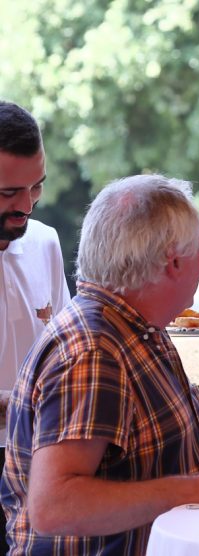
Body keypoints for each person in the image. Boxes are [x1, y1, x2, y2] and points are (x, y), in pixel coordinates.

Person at [0, 175, 199, 555]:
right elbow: (53, 507)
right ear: (174, 261)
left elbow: (154, 467)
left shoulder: (136, 326)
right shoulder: (93, 351)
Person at [0, 100, 70, 391]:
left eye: (37, 186)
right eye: (9, 192)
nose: (27, 205)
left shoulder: (45, 243)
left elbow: (65, 358)